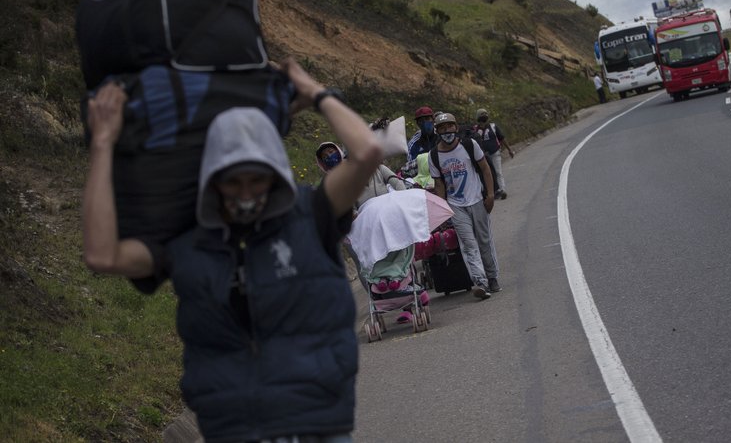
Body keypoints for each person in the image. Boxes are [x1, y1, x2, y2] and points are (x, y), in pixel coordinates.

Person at [82, 57, 383, 442]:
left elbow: (367, 152)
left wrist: (314, 93)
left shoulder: (310, 213)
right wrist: (103, 144)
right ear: (212, 181)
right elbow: (102, 255)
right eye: (232, 182)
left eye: (256, 180)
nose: (245, 194)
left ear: (274, 175)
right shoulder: (187, 242)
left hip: (316, 424)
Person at [427, 112, 501, 299]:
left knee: (484, 241)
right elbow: (439, 184)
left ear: (456, 127)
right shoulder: (434, 155)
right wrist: (443, 209)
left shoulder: (469, 145)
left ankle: (492, 277)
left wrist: (490, 195)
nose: (447, 131)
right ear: (437, 131)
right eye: (442, 128)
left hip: (477, 200)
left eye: (450, 126)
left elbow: (485, 168)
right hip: (456, 206)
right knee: (468, 244)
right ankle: (480, 282)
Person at [473, 108, 514, 200]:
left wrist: (509, 150)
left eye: (485, 114)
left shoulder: (493, 126)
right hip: (482, 156)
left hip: (495, 152)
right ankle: (492, 191)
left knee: (498, 171)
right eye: (482, 115)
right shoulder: (475, 129)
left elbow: (502, 138)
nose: (484, 116)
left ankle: (502, 190)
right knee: (487, 173)